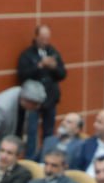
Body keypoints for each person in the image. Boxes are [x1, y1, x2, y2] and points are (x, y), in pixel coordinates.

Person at [16, 24, 67, 157]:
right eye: (43, 38)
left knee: (49, 132)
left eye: (47, 38)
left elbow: (63, 74)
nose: (45, 41)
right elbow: (22, 75)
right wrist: (39, 66)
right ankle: (31, 160)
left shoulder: (53, 52)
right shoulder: (27, 55)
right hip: (32, 100)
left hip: (50, 98)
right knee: (31, 132)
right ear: (36, 37)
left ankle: (47, 158)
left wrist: (54, 67)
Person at [0, 80, 46, 155]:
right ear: (27, 100)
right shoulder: (0, 108)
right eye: (36, 104)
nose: (37, 107)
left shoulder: (21, 95)